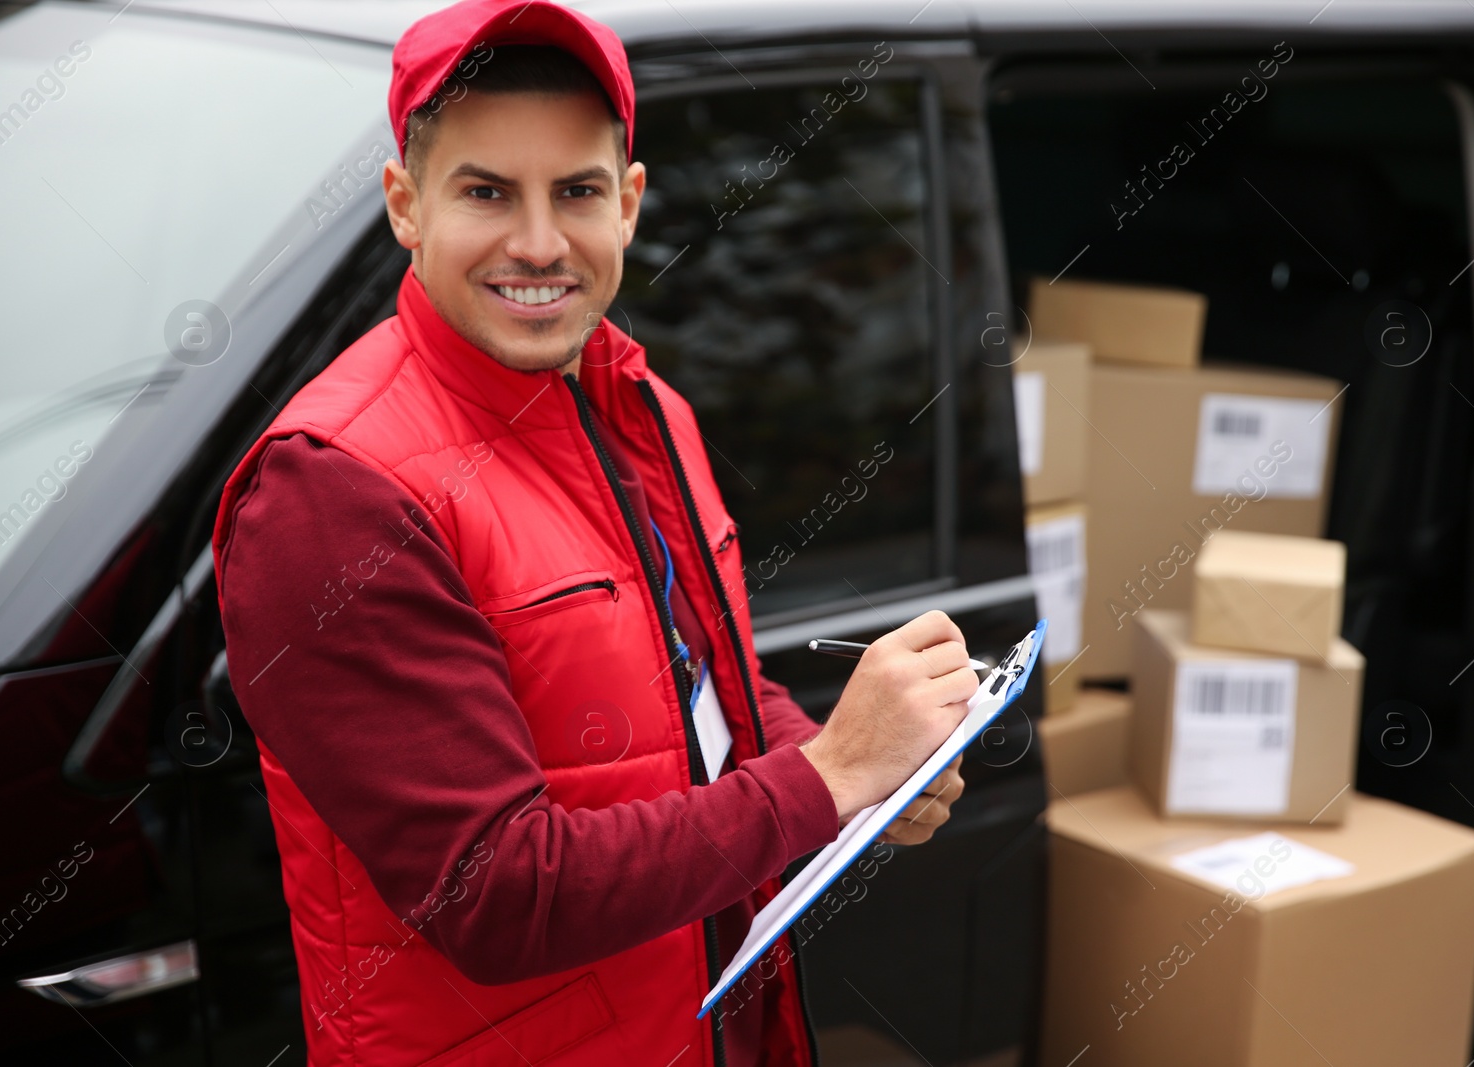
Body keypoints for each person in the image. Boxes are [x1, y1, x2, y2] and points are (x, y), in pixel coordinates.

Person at [211, 2, 977, 1063]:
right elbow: (495, 890)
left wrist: (856, 773)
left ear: (627, 204)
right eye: (485, 191)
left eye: (574, 191)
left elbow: (705, 688)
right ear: (404, 206)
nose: (537, 242)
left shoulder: (644, 404)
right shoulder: (332, 492)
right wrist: (824, 780)